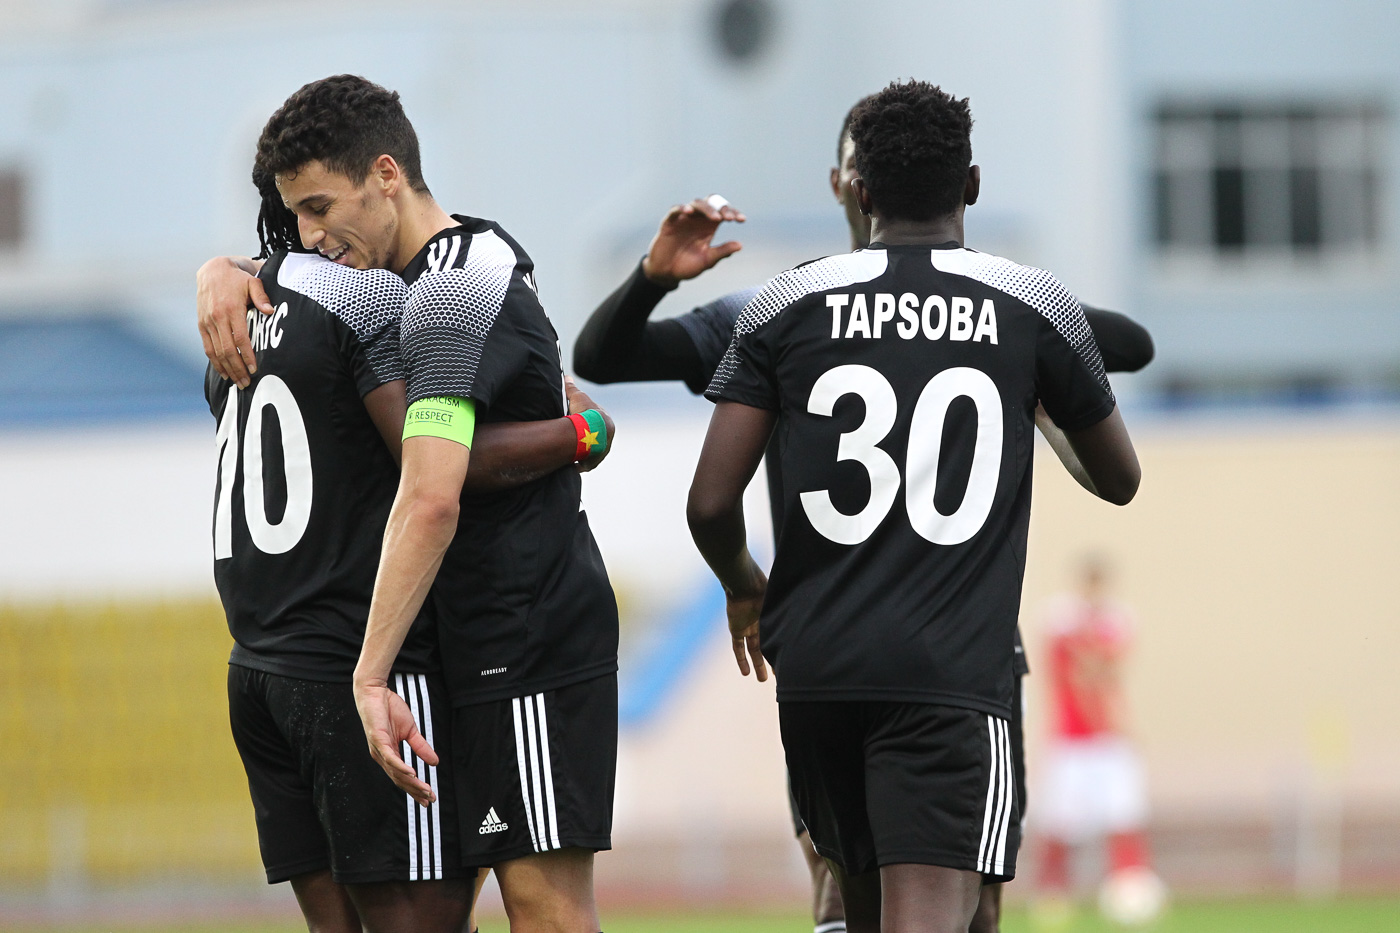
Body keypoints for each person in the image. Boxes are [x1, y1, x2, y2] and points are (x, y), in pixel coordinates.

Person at [573, 109, 1152, 933]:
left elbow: (707, 501)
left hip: (823, 655)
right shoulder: (1015, 302)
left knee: (872, 901)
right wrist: (1041, 367)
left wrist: (744, 587)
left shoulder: (782, 304)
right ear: (970, 185)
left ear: (860, 186)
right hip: (953, 660)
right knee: (928, 903)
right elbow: (603, 356)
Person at [201, 75, 619, 933]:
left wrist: (369, 671)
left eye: (321, 207)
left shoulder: (450, 288)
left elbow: (432, 492)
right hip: (458, 639)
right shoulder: (397, 289)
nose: (309, 236)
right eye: (296, 215)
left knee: (543, 909)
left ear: (386, 174)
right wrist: (220, 269)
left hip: (523, 634)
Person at [1035, 557, 1163, 924]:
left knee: (1125, 815)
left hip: (1108, 740)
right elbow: (1076, 671)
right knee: (1060, 822)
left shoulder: (1116, 621)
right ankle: (1053, 894)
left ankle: (1130, 887)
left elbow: (1108, 669)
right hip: (1070, 741)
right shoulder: (1060, 620)